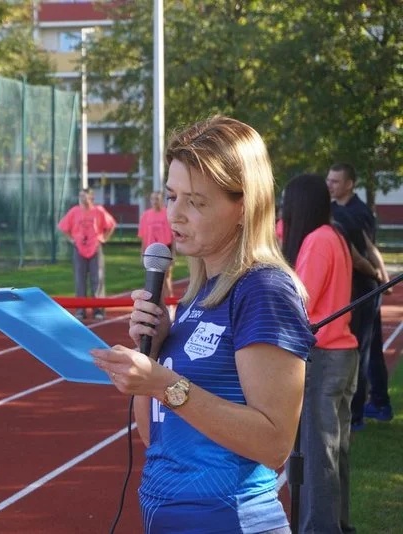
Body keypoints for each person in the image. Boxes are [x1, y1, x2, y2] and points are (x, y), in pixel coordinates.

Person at [91, 116, 315, 533]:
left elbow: (274, 443)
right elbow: (153, 434)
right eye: (172, 196)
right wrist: (152, 354)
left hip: (230, 519)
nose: (174, 215)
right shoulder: (198, 295)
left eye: (196, 201)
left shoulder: (264, 290)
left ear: (243, 205)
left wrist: (161, 383)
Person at [281, 173, 359, 534]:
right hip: (342, 354)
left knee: (317, 454)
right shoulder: (335, 236)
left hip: (325, 356)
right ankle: (337, 525)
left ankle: (320, 529)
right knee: (334, 450)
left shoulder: (317, 240)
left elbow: (300, 299)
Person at [326, 163, 394, 428]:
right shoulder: (333, 209)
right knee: (370, 347)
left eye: (335, 181)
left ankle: (360, 414)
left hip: (363, 288)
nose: (329, 184)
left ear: (350, 184)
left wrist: (380, 278)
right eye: (328, 180)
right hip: (359, 286)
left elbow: (365, 250)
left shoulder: (358, 212)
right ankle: (379, 402)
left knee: (362, 349)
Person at [58, 187, 116, 320]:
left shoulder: (98, 211)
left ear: (91, 198)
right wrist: (72, 239)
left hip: (95, 248)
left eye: (85, 197)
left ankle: (98, 310)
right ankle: (80, 310)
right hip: (79, 249)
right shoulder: (74, 211)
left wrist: (104, 238)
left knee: (97, 280)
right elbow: (63, 227)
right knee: (80, 280)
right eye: (80, 197)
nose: (82, 199)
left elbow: (111, 224)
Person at [138, 191, 175, 297]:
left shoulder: (167, 214)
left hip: (164, 249)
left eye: (157, 199)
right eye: (153, 199)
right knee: (152, 280)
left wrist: (173, 254)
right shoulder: (146, 215)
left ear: (161, 200)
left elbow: (173, 237)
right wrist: (142, 254)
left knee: (166, 278)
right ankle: (156, 303)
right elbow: (143, 237)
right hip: (151, 251)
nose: (155, 201)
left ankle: (170, 303)